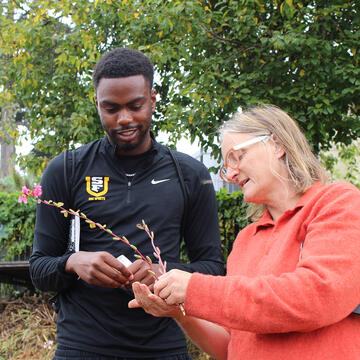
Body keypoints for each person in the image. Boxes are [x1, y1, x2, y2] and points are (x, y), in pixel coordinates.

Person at [29, 47, 224, 359]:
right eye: (111, 109)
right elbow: (39, 269)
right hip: (82, 347)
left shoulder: (188, 174)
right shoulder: (66, 169)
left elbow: (214, 270)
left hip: (163, 348)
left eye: (136, 106)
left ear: (153, 100)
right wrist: (74, 262)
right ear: (96, 104)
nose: (124, 119)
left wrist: (163, 272)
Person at [129, 104, 360, 360]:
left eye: (237, 156)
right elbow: (231, 346)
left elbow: (318, 296)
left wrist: (195, 289)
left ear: (277, 144)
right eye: (226, 166)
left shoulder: (337, 203)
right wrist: (180, 311)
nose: (231, 174)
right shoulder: (246, 239)